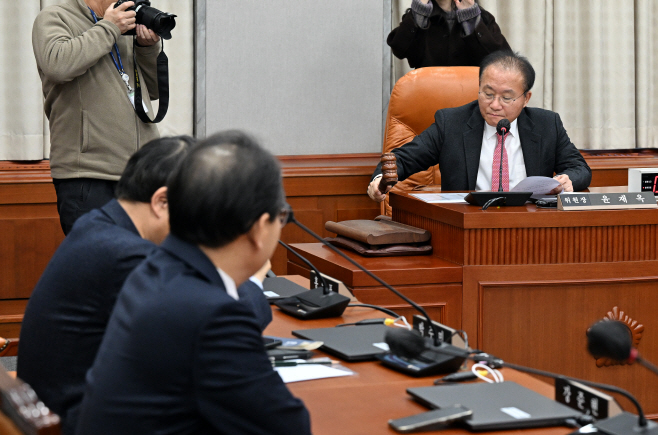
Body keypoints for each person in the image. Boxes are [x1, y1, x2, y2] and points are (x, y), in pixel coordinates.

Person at [17, 136, 273, 435]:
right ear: (162, 202)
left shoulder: (98, 227)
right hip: (78, 420)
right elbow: (220, 324)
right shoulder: (127, 254)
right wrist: (254, 281)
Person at [75, 131, 311, 435]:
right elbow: (289, 428)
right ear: (258, 229)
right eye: (282, 217)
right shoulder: (213, 317)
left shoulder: (154, 270)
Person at [368, 50, 592, 200]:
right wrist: (379, 180)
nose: (494, 105)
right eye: (487, 93)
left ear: (526, 99)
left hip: (528, 224)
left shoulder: (546, 125)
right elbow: (403, 159)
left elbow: (580, 168)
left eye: (506, 98)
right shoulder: (451, 123)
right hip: (466, 226)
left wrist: (567, 180)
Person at [33, 0, 163, 235]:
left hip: (141, 175)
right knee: (100, 265)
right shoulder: (55, 17)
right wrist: (109, 28)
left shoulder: (124, 25)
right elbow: (57, 65)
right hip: (89, 174)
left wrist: (146, 47)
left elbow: (151, 90)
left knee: (143, 266)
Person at [388, 0, 510, 68]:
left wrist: (471, 19)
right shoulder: (418, 15)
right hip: (428, 96)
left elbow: (501, 61)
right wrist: (419, 13)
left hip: (471, 100)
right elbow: (400, 49)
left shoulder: (483, 18)